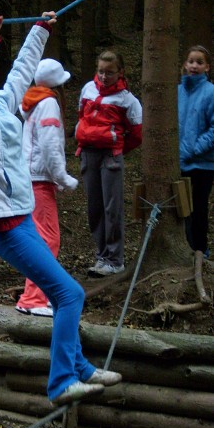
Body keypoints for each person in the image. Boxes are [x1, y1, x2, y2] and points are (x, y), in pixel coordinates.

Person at [0, 12, 121, 405]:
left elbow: (20, 70)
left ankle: (81, 368)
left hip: (22, 217)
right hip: (6, 227)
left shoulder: (0, 106)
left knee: (62, 295)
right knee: (70, 294)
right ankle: (61, 383)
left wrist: (42, 29)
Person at [15, 59, 78, 318]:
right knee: (47, 239)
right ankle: (32, 298)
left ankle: (40, 295)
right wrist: (63, 178)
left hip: (30, 178)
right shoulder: (49, 103)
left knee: (38, 238)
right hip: (39, 179)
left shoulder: (33, 101)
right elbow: (50, 147)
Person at [75, 50, 142, 277]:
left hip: (111, 156)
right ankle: (101, 256)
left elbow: (136, 133)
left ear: (120, 72)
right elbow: (81, 115)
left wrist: (118, 147)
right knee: (95, 207)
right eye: (101, 71)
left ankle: (115, 259)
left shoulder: (127, 99)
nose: (104, 77)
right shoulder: (88, 89)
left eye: (110, 73)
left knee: (112, 208)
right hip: (88, 153)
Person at [179, 45, 214, 261]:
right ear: (185, 64)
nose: (194, 66)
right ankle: (185, 249)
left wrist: (194, 149)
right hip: (179, 163)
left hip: (202, 164)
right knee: (181, 211)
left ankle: (201, 250)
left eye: (199, 62)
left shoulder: (211, 92)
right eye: (191, 61)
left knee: (199, 209)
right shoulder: (176, 92)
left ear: (207, 67)